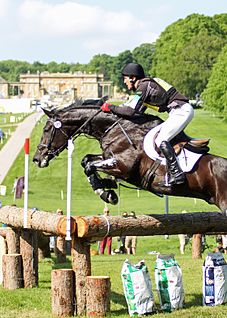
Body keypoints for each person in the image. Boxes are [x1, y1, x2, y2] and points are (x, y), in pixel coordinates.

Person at [101, 63, 194, 185]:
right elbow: (136, 112)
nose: (124, 82)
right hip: (179, 111)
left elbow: (130, 111)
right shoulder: (146, 86)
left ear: (133, 78)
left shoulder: (144, 86)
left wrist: (110, 107)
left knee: (160, 139)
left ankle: (177, 174)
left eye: (125, 78)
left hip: (181, 111)